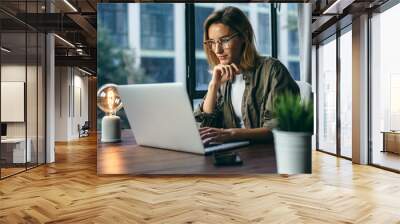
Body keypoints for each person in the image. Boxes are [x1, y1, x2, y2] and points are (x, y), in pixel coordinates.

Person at [194, 6, 300, 145]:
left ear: (244, 36)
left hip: (265, 155)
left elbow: (279, 127)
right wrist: (214, 86)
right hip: (233, 151)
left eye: (225, 40)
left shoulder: (272, 70)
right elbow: (204, 126)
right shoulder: (223, 76)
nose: (217, 49)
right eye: (212, 42)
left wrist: (232, 134)